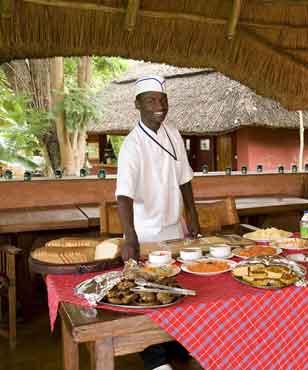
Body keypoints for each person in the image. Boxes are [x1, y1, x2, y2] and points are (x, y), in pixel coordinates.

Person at [115, 75, 200, 370]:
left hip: (174, 227)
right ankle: (156, 360)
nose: (159, 106)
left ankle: (178, 345)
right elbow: (123, 196)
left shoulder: (173, 132)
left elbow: (185, 179)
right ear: (137, 104)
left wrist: (193, 217)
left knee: (177, 289)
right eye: (151, 100)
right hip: (147, 231)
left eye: (162, 99)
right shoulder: (131, 145)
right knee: (149, 295)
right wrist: (130, 236)